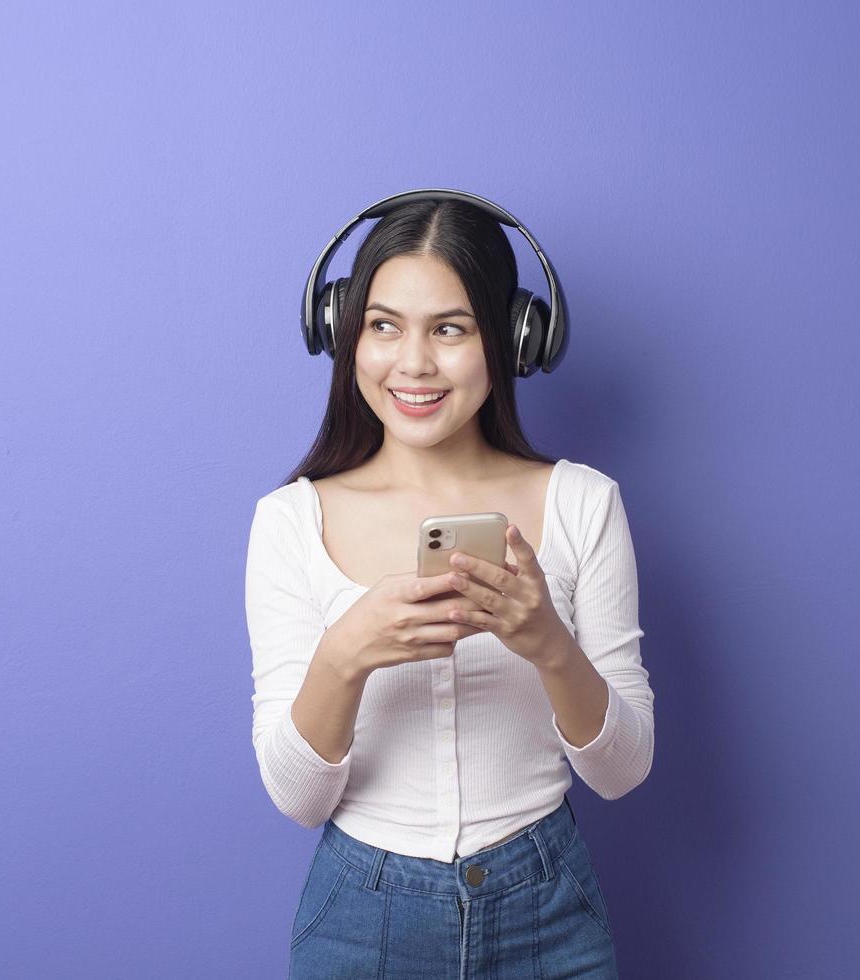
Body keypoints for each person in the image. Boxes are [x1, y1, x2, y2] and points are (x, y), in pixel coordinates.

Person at [245, 191, 655, 978]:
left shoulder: (582, 503)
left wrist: (547, 645)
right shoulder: (290, 521)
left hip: (548, 909)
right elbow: (298, 801)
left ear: (513, 339)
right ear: (343, 332)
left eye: (450, 329)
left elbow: (622, 772)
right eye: (383, 325)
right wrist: (346, 655)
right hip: (361, 916)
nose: (414, 363)